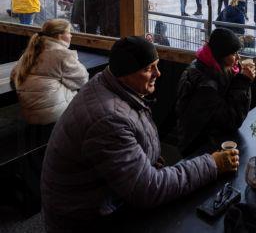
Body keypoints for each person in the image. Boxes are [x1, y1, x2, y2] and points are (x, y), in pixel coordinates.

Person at [41, 36, 239, 232]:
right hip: (84, 219)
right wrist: (213, 164)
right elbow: (147, 188)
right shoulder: (108, 119)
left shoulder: (110, 85)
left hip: (102, 199)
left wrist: (146, 160)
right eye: (148, 69)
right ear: (125, 73)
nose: (158, 74)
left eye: (157, 65)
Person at [175, 28, 254, 155]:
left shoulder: (209, 65)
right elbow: (231, 120)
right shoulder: (205, 84)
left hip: (207, 140)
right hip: (199, 149)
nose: (238, 58)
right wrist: (243, 82)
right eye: (234, 54)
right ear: (220, 55)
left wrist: (240, 76)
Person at [10, 19, 88, 125]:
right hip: (54, 116)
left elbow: (14, 76)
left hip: (28, 113)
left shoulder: (29, 53)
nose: (71, 36)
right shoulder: (63, 55)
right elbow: (82, 80)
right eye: (69, 32)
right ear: (60, 36)